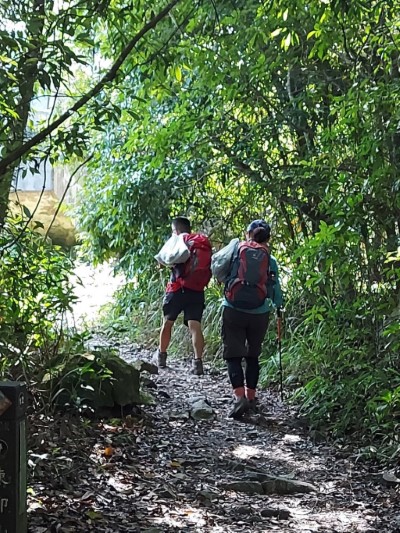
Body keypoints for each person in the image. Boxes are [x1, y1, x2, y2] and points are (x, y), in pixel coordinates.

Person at [222, 219, 283, 419]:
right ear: (268, 238)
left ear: (248, 234)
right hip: (259, 312)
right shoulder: (270, 259)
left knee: (233, 355)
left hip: (233, 309)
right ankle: (251, 398)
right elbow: (275, 291)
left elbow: (220, 272)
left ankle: (239, 398)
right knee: (252, 356)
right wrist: (277, 307)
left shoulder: (236, 251)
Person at [157, 217, 212, 376]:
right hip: (196, 290)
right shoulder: (200, 242)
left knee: (167, 322)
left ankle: (161, 357)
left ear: (176, 230)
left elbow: (165, 259)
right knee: (195, 326)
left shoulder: (177, 240)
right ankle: (198, 363)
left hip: (177, 288)